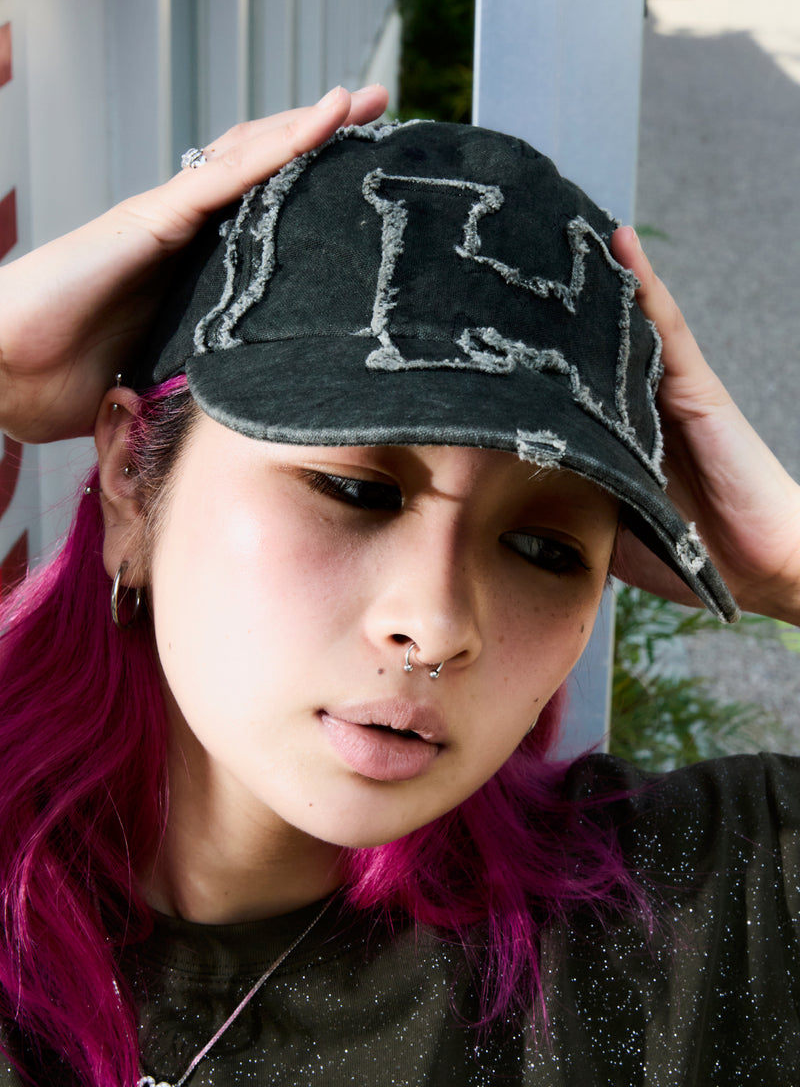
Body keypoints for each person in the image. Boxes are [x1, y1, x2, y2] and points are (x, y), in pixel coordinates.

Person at [0, 86, 798, 1087]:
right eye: (354, 490)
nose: (435, 623)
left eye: (543, 549)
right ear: (131, 475)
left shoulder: (678, 927)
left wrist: (783, 564)